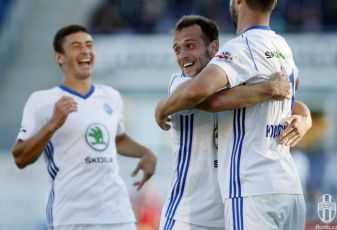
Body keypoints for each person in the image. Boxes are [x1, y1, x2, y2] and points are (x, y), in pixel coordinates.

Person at [155, 1, 312, 229]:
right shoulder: (180, 83)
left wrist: (306, 118)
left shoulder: (239, 61)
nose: (182, 56)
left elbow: (291, 97)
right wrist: (162, 106)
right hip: (188, 217)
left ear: (214, 48)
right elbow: (206, 98)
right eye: (177, 49)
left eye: (190, 46)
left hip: (237, 204)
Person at [12, 24, 157, 230]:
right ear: (59, 57)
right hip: (72, 216)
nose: (85, 51)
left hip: (117, 214)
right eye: (76, 46)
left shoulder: (111, 96)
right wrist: (53, 123)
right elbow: (20, 157)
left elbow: (117, 139)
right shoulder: (42, 101)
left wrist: (146, 152)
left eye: (89, 44)